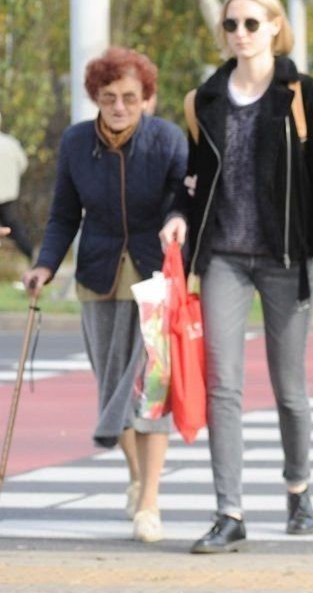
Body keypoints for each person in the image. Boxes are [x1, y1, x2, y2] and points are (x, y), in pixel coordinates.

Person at [160, 0, 313, 554]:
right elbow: (194, 178)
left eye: (251, 22)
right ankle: (230, 510)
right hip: (222, 256)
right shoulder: (206, 99)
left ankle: (298, 489)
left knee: (289, 387)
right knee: (223, 382)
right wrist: (177, 215)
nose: (240, 34)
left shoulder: (301, 93)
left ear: (274, 25)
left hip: (286, 260)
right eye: (231, 24)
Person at [23, 47, 187, 543]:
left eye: (130, 98)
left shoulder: (166, 140)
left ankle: (151, 502)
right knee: (114, 387)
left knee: (151, 391)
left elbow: (182, 198)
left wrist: (176, 223)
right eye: (110, 97)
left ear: (147, 100)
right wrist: (45, 265)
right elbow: (62, 215)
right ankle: (136, 477)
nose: (119, 107)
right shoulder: (76, 143)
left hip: (156, 277)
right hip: (98, 277)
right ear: (95, 96)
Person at [0, 111, 34, 261]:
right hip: (8, 194)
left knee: (12, 228)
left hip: (6, 194)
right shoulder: (11, 143)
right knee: (15, 228)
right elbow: (23, 164)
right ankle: (31, 255)